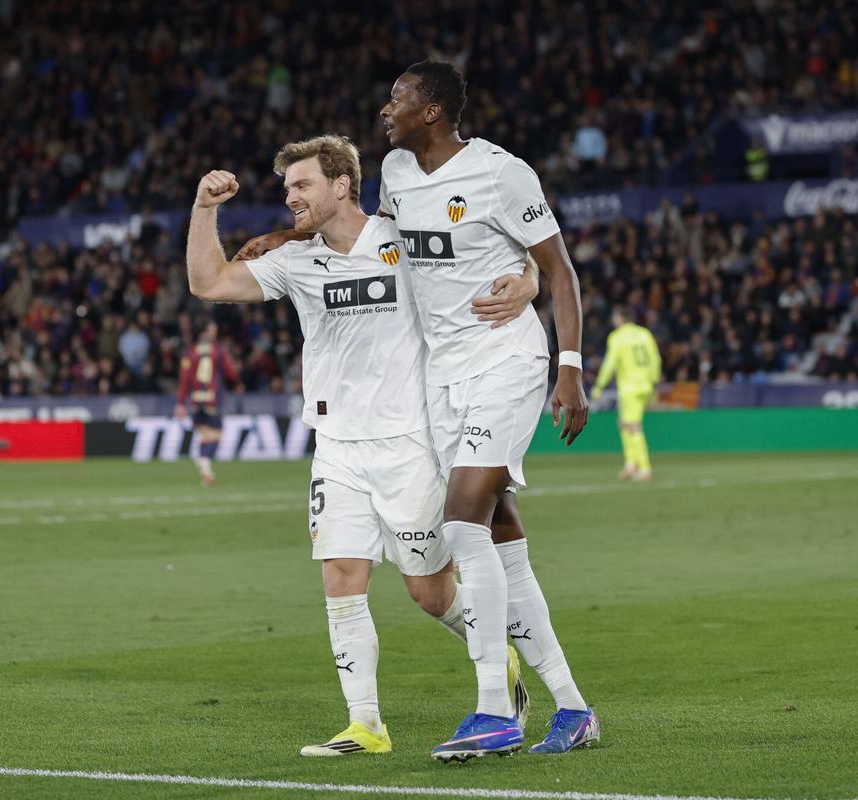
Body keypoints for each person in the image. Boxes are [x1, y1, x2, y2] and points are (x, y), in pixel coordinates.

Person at [238, 60, 599, 761]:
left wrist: (569, 366)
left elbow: (558, 267)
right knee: (500, 537)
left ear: (431, 110)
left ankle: (494, 710)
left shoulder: (502, 173)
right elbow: (376, 240)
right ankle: (573, 707)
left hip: (505, 357)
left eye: (397, 98)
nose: (386, 109)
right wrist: (286, 238)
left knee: (462, 521)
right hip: (443, 376)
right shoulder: (398, 172)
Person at [185, 134, 534, 758]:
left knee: (429, 592)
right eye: (287, 187)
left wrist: (530, 279)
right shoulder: (295, 262)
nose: (290, 197)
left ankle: (496, 655)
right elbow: (208, 283)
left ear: (342, 185)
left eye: (302, 185)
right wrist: (204, 208)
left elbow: (497, 247)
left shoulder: (404, 239)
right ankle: (366, 725)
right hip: (337, 446)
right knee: (341, 577)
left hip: (411, 443)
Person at [591, 306, 661, 480]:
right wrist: (654, 383)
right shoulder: (644, 333)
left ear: (621, 318)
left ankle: (644, 468)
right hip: (646, 385)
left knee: (632, 425)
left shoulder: (617, 336)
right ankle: (630, 464)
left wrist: (599, 386)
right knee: (623, 423)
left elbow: (610, 363)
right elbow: (655, 359)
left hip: (630, 386)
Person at [175, 321, 239, 486]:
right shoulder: (219, 350)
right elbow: (231, 373)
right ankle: (204, 460)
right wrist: (236, 379)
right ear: (206, 332)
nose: (215, 333)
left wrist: (180, 403)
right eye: (213, 330)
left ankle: (205, 471)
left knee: (204, 434)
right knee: (217, 434)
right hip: (212, 399)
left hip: (196, 400)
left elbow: (184, 379)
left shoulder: (190, 352)